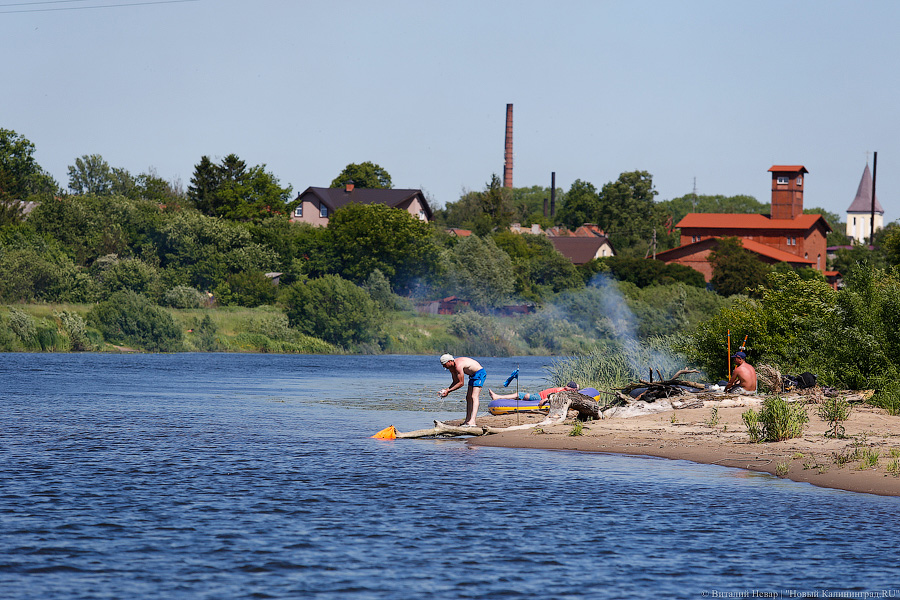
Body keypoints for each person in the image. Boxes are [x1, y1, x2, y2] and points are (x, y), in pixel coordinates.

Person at [438, 354, 486, 427]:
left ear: (450, 361)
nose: (443, 366)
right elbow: (455, 382)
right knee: (468, 397)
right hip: (472, 376)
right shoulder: (451, 368)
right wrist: (446, 390)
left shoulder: (458, 365)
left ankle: (472, 421)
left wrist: (448, 391)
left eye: (444, 364)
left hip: (479, 373)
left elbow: (461, 383)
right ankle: (467, 420)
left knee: (474, 396)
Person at [488, 382, 579, 406]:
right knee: (519, 396)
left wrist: (545, 400)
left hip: (539, 397)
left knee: (520, 394)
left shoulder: (564, 392)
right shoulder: (565, 390)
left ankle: (497, 397)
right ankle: (499, 398)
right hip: (538, 395)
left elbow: (554, 396)